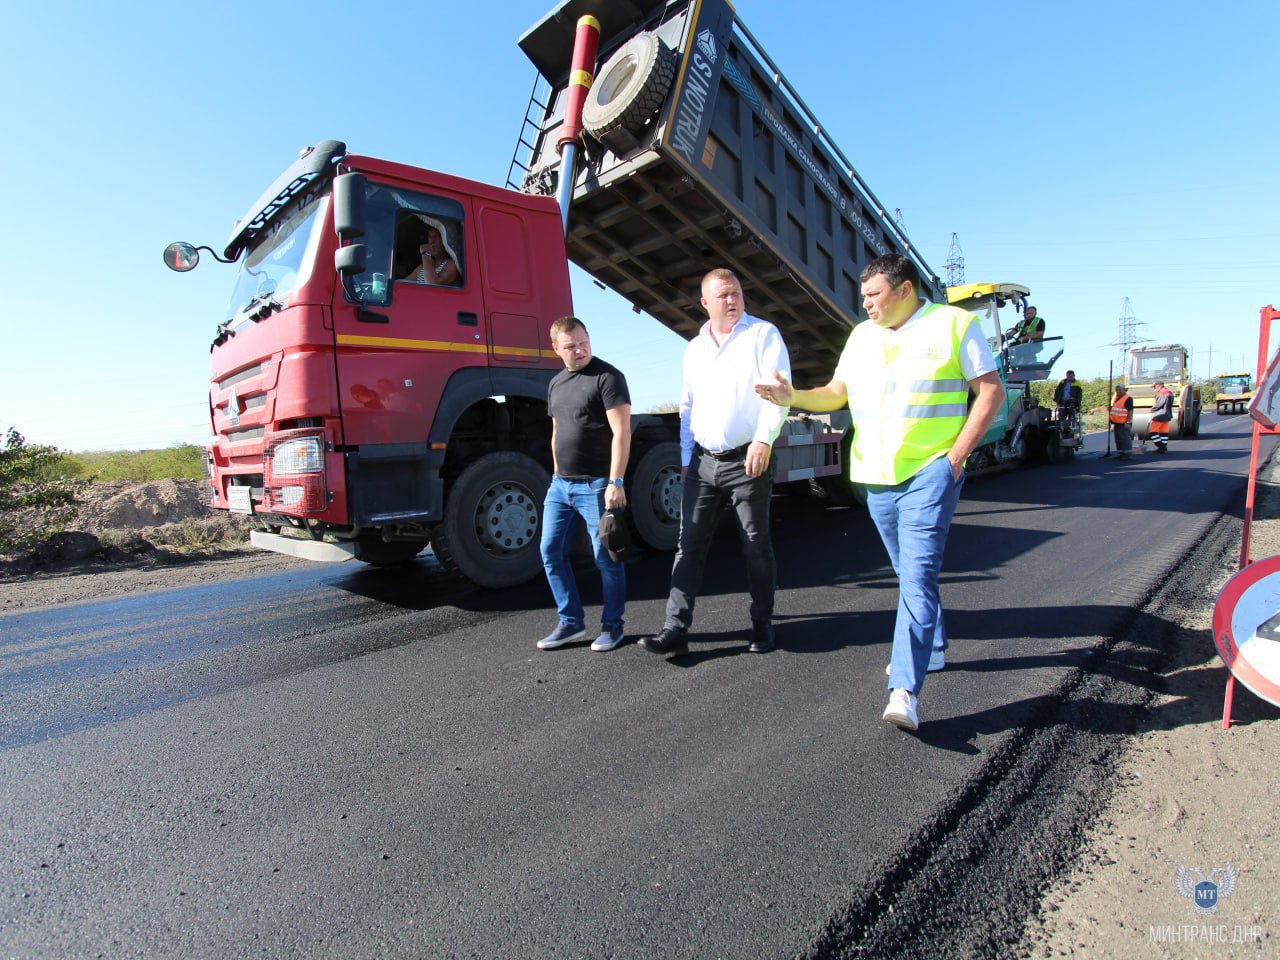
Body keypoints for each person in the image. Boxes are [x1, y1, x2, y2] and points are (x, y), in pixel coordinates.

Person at [756, 254, 1005, 731]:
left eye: (874, 295)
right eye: (863, 296)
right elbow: (836, 393)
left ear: (905, 290)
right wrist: (793, 398)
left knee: (916, 576)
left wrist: (955, 459)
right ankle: (931, 648)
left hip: (931, 471)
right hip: (875, 477)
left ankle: (904, 690)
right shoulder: (861, 336)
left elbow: (990, 391)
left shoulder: (954, 324)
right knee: (907, 571)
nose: (866, 304)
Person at [639, 268, 791, 658]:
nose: (732, 299)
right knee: (687, 547)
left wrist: (763, 439)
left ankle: (762, 623)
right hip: (704, 465)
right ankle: (674, 628)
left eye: (737, 292)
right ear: (705, 303)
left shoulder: (763, 335)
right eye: (722, 295)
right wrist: (687, 457)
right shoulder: (695, 348)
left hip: (748, 461)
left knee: (755, 545)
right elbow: (688, 407)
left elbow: (779, 394)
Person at [536, 317, 632, 653]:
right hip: (560, 486)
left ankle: (613, 626)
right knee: (549, 551)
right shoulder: (556, 384)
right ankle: (571, 622)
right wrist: (555, 473)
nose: (580, 350)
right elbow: (556, 431)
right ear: (556, 349)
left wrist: (615, 481)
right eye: (571, 346)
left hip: (596, 485)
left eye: (583, 342)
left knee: (604, 557)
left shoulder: (607, 377)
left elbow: (622, 432)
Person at [399, 217, 461, 286]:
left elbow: (432, 284)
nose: (432, 241)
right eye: (430, 237)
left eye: (436, 237)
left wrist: (425, 253)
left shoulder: (452, 265)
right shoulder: (421, 268)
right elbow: (402, 283)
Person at [1110, 384, 1135, 460]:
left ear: (1124, 390)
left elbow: (1130, 411)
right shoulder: (1117, 398)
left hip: (1124, 423)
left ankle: (1127, 454)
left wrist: (1127, 422)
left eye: (1120, 390)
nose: (1118, 391)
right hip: (1117, 423)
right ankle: (1121, 453)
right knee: (1118, 440)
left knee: (1125, 439)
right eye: (1117, 390)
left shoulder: (1128, 399)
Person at [1149, 380, 1174, 454]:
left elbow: (1160, 403)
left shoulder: (1162, 393)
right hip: (1167, 415)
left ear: (1159, 386)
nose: (1154, 389)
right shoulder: (1169, 392)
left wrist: (1152, 409)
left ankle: (1161, 447)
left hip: (1160, 415)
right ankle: (1163, 447)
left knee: (1153, 432)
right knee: (1164, 432)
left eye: (1154, 387)